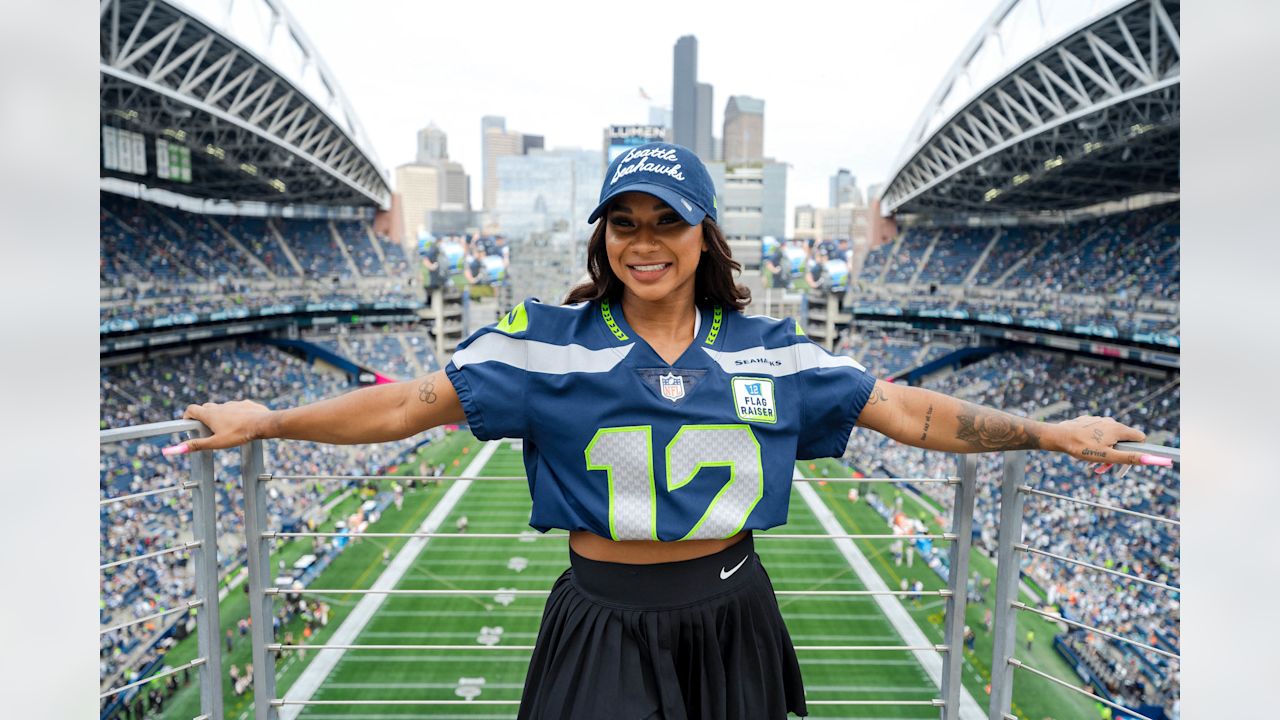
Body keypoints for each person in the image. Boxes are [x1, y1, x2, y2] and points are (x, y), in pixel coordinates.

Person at [172, 141, 1150, 720]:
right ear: (601, 235)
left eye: (665, 222)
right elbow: (406, 403)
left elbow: (909, 411)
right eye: (622, 223)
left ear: (702, 235)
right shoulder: (544, 343)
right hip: (602, 615)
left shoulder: (770, 348)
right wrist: (272, 418)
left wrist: (1047, 431)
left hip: (733, 613)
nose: (643, 242)